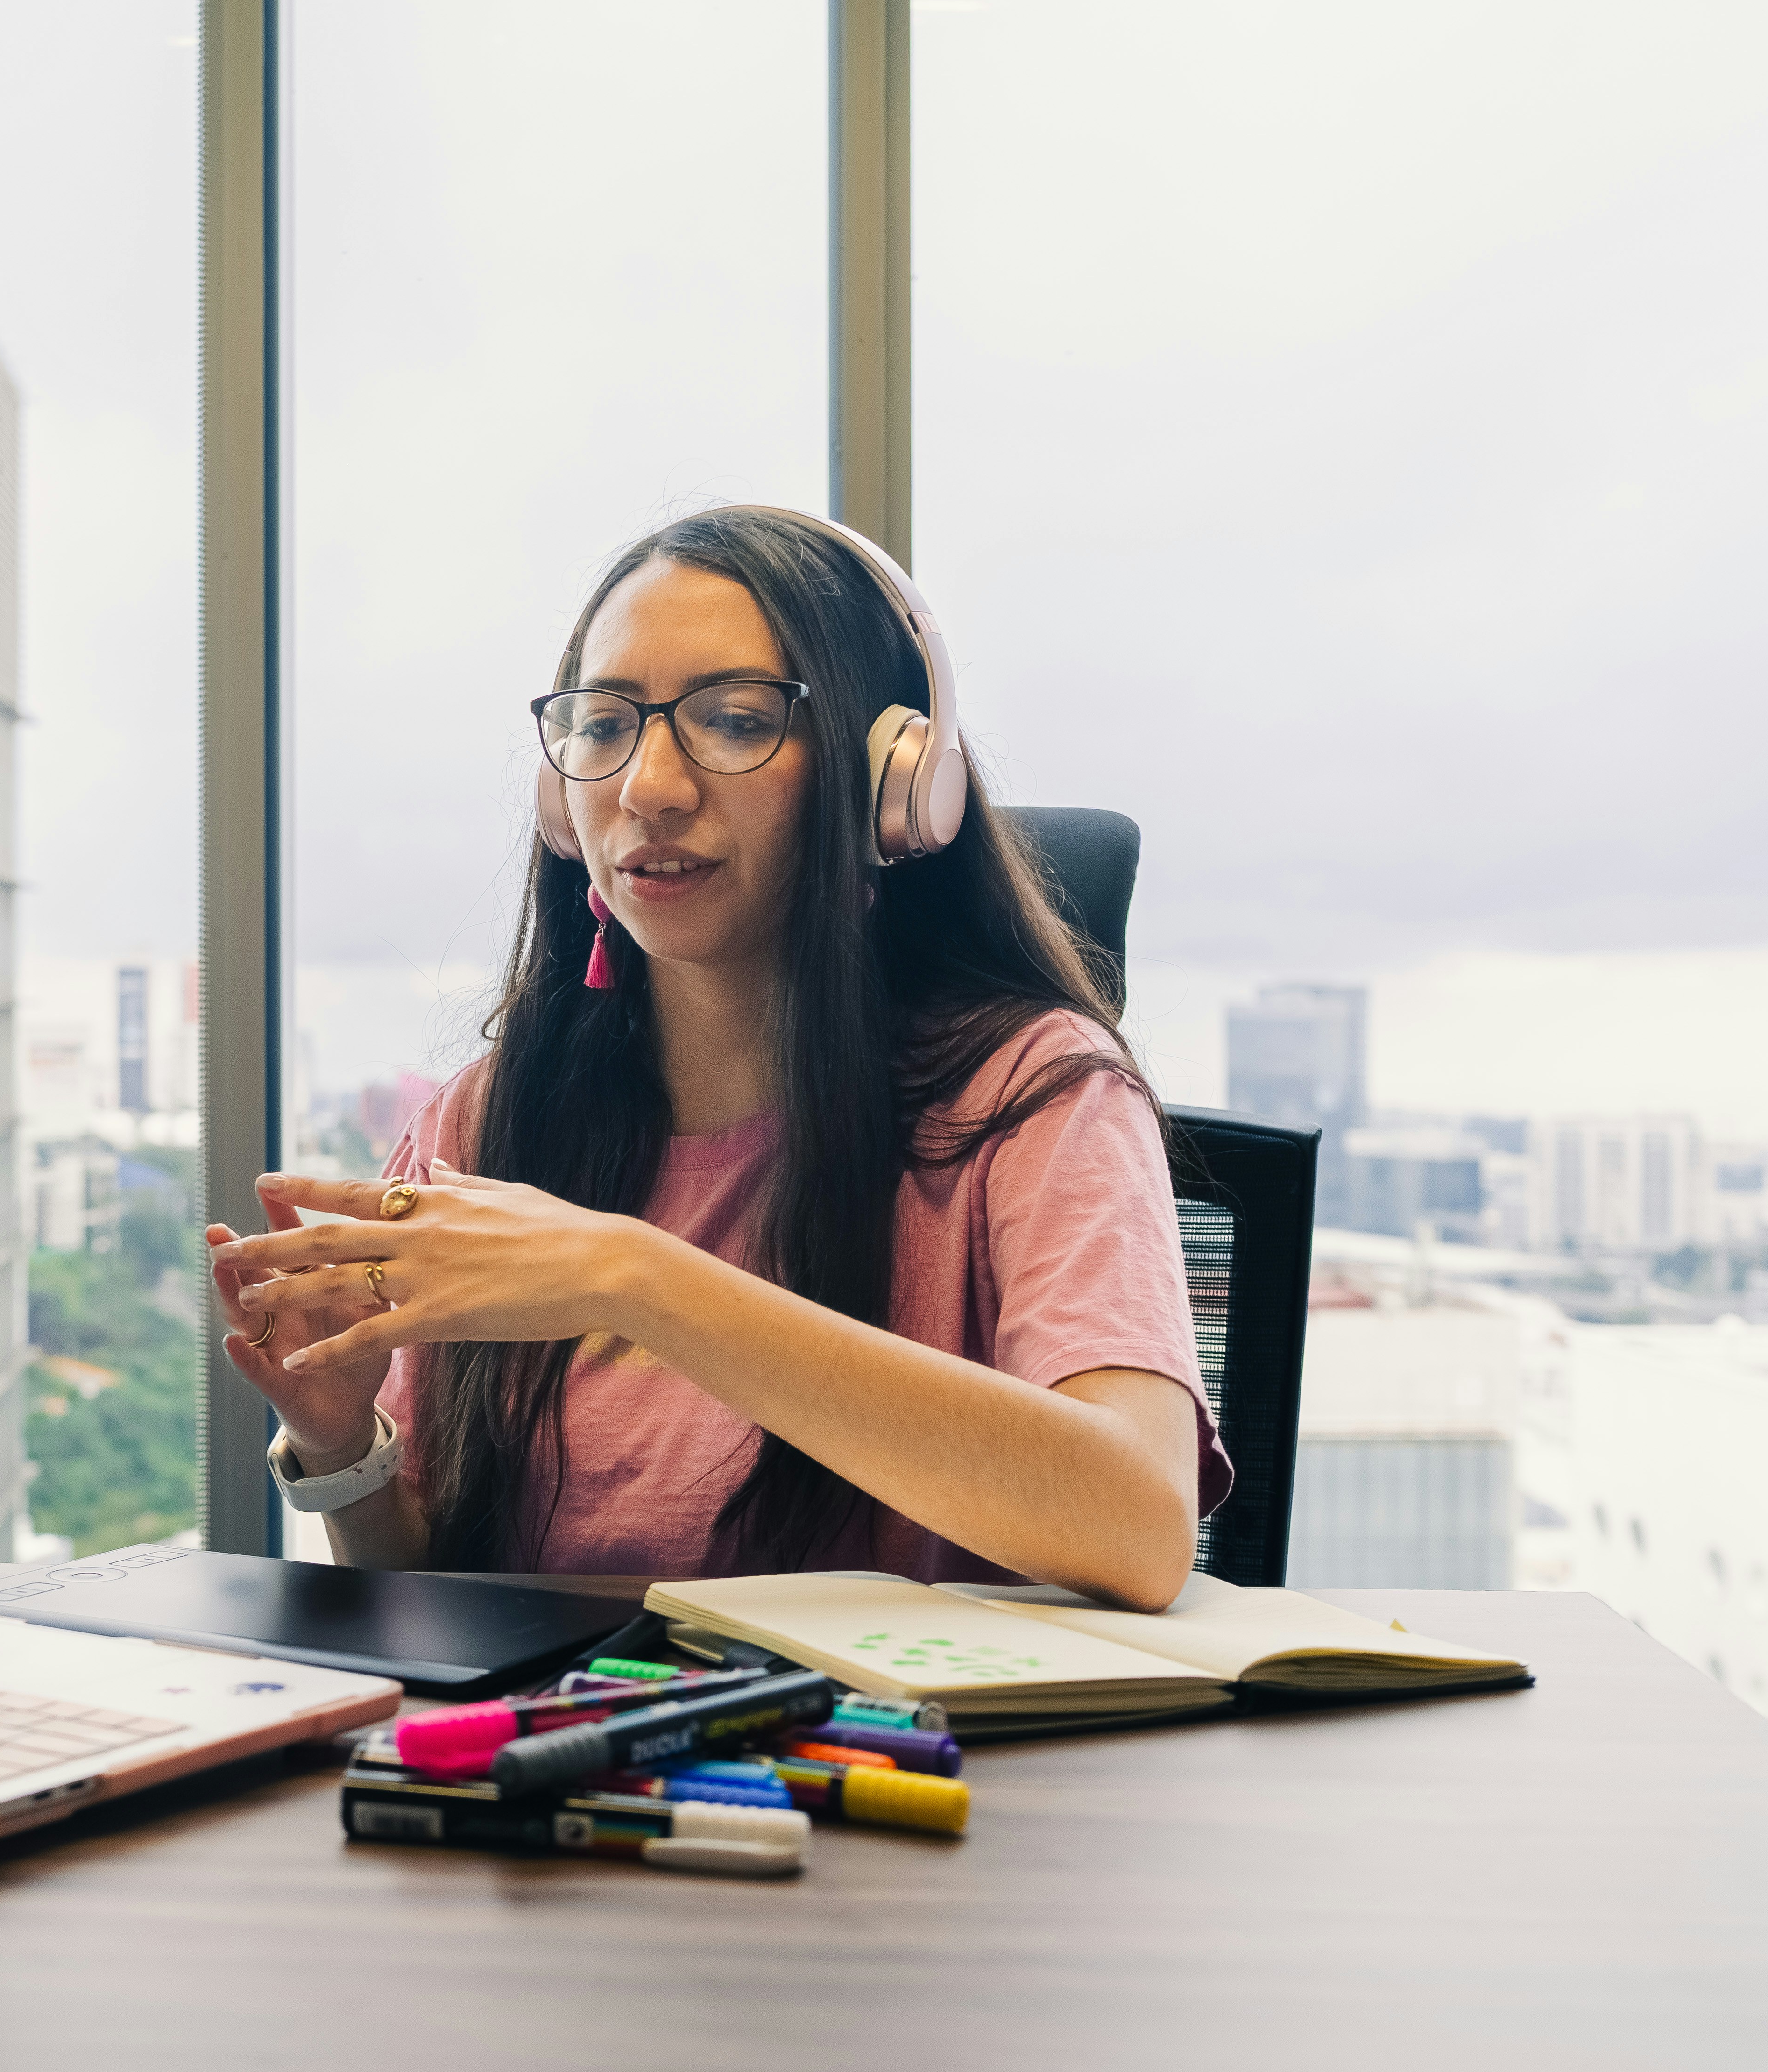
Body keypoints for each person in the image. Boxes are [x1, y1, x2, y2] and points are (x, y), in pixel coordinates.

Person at [205, 505, 1228, 1611]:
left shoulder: (1034, 1095)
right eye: (605, 726)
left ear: (889, 778)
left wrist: (631, 1277)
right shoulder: (487, 1119)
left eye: (735, 720)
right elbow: (435, 1600)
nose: (647, 786)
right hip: (577, 1724)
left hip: (894, 1726)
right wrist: (342, 1442)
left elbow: (1138, 1525)